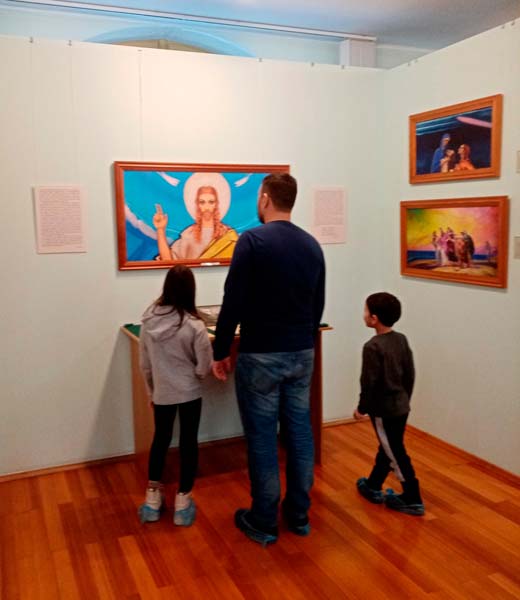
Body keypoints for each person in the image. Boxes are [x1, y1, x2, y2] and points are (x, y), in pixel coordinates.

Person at [212, 173, 325, 546]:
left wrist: (220, 350)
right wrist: (304, 340)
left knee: (262, 438)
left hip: (261, 353)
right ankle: (299, 514)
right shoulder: (312, 245)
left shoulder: (252, 241)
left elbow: (232, 301)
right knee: (300, 433)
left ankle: (263, 519)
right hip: (301, 352)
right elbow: (317, 304)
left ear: (264, 199)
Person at [138, 265, 213, 526]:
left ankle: (152, 499)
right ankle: (183, 500)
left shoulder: (148, 322)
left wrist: (151, 391)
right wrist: (197, 376)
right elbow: (204, 365)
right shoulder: (195, 325)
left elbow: (145, 364)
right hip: (189, 391)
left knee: (160, 439)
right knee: (188, 442)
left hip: (162, 392)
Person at [353, 292, 424, 516]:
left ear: (374, 318)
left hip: (384, 410)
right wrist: (405, 398)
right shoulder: (401, 339)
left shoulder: (372, 346)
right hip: (401, 405)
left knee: (395, 451)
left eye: (365, 310)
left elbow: (369, 382)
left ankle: (412, 497)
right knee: (389, 445)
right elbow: (410, 373)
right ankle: (373, 484)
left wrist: (362, 408)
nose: (363, 314)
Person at [153, 185, 238, 261]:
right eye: (202, 202)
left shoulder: (227, 234)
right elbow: (168, 260)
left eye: (211, 202)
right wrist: (160, 229)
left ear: (216, 204)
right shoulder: (189, 234)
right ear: (198, 205)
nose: (207, 207)